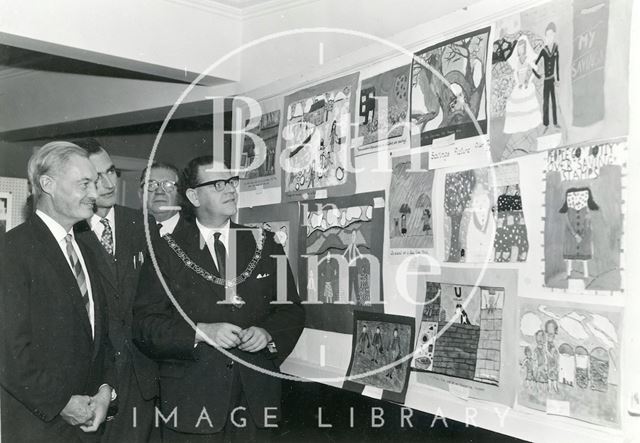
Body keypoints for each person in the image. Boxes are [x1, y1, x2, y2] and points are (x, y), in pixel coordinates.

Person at [134, 156, 304, 442]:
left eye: (231, 182)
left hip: (256, 403)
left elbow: (291, 311)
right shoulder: (166, 250)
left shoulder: (265, 243)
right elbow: (146, 326)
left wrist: (268, 334)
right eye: (217, 184)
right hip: (191, 404)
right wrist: (202, 332)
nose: (230, 190)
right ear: (193, 196)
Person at [0, 141, 116, 442]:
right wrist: (62, 404)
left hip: (87, 425)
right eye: (85, 184)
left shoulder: (87, 249)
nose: (95, 193)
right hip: (39, 428)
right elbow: (9, 354)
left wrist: (105, 392)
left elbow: (99, 338)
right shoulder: (13, 251)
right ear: (47, 184)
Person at [73, 138, 159, 442]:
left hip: (141, 378)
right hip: (90, 383)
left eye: (112, 172)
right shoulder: (69, 233)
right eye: (97, 177)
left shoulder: (142, 223)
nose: (109, 183)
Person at [139, 162, 186, 236]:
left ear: (180, 193)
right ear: (140, 194)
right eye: (151, 185)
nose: (159, 191)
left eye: (168, 185)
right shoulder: (126, 232)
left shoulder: (199, 234)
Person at [534, 22, 560, 132]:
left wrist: (558, 79)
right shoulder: (544, 50)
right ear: (545, 36)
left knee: (554, 102)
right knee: (545, 102)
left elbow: (557, 65)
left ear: (554, 35)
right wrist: (537, 75)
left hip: (553, 80)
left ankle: (555, 122)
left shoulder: (555, 48)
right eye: (547, 35)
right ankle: (546, 124)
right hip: (546, 80)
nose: (550, 37)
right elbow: (534, 64)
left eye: (551, 35)